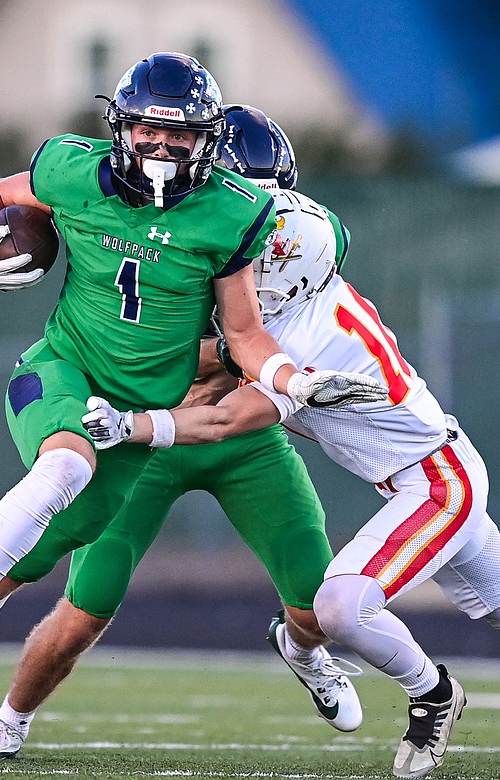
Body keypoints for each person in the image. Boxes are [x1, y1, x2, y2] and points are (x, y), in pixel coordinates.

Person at [0, 51, 386, 683]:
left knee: (79, 517)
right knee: (62, 467)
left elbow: (244, 332)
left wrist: (294, 379)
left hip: (142, 411)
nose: (163, 147)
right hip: (66, 367)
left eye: (181, 134)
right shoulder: (73, 168)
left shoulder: (235, 213)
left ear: (207, 141)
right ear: (123, 129)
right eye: (150, 131)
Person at [81, 135, 500, 780]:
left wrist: (128, 425)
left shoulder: (302, 331)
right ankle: (309, 654)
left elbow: (223, 419)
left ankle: (433, 692)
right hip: (423, 476)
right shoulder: (282, 295)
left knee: (339, 606)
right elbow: (209, 365)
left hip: (438, 484)